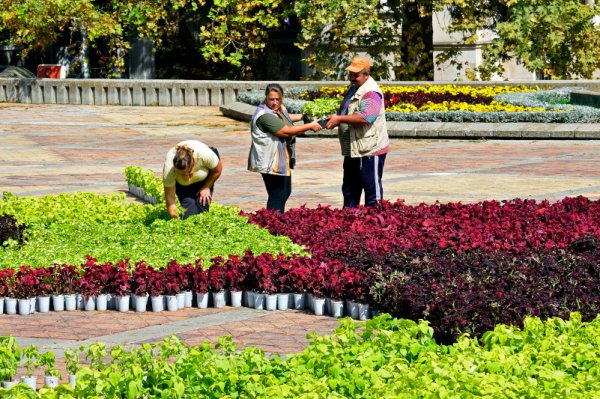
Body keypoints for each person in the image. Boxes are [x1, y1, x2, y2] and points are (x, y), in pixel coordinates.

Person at [325, 57, 390, 208]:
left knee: (372, 192)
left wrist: (339, 119)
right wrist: (333, 119)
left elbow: (366, 117)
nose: (352, 78)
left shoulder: (371, 92)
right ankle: (350, 224)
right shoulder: (354, 88)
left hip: (369, 149)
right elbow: (346, 111)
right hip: (353, 149)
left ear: (366, 75)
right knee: (349, 191)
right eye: (351, 74)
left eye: (356, 75)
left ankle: (375, 225)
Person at [248, 83, 323, 213]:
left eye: (278, 99)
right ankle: (272, 224)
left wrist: (301, 116)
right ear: (266, 98)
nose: (275, 103)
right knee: (278, 194)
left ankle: (276, 221)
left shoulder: (275, 110)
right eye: (271, 99)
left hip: (280, 159)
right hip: (270, 161)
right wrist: (309, 126)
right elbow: (286, 131)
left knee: (285, 191)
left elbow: (283, 117)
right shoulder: (265, 116)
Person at [163, 140, 223, 219]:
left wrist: (206, 187)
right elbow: (170, 198)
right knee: (188, 215)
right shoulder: (169, 169)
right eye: (181, 174)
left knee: (203, 209)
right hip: (183, 186)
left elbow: (218, 170)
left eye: (187, 173)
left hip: (205, 179)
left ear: (193, 164)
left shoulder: (204, 155)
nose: (186, 178)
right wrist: (175, 219)